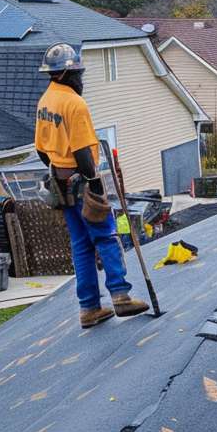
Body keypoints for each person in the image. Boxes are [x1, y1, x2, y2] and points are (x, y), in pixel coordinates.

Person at [33, 43, 147, 328]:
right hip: (82, 182)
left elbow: (41, 150)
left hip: (61, 183)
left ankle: (89, 308)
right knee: (106, 237)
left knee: (81, 245)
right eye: (79, 74)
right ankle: (120, 295)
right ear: (67, 74)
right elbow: (84, 152)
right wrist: (94, 184)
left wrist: (59, 169)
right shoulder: (74, 104)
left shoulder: (46, 101)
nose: (81, 79)